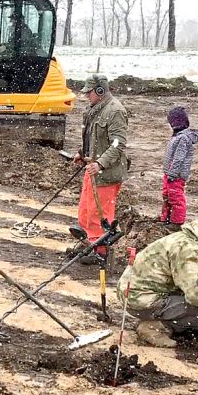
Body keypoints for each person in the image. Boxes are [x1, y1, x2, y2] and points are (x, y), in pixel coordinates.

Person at [117, 217, 198, 348]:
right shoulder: (189, 250)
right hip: (140, 299)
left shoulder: (184, 240)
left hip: (135, 293)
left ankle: (174, 322)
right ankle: (155, 327)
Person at [71, 74, 129, 264]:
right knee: (86, 210)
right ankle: (88, 242)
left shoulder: (115, 111)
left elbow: (118, 144)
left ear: (100, 91)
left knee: (100, 214)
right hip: (93, 168)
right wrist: (83, 154)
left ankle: (100, 251)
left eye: (90, 92)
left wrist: (101, 163)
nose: (87, 96)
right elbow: (92, 137)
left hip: (105, 173)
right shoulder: (95, 110)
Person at [161, 106, 198, 230]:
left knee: (176, 197)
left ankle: (177, 222)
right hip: (170, 174)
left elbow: (179, 158)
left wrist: (172, 174)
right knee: (167, 195)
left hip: (175, 176)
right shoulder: (178, 137)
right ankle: (166, 218)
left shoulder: (182, 138)